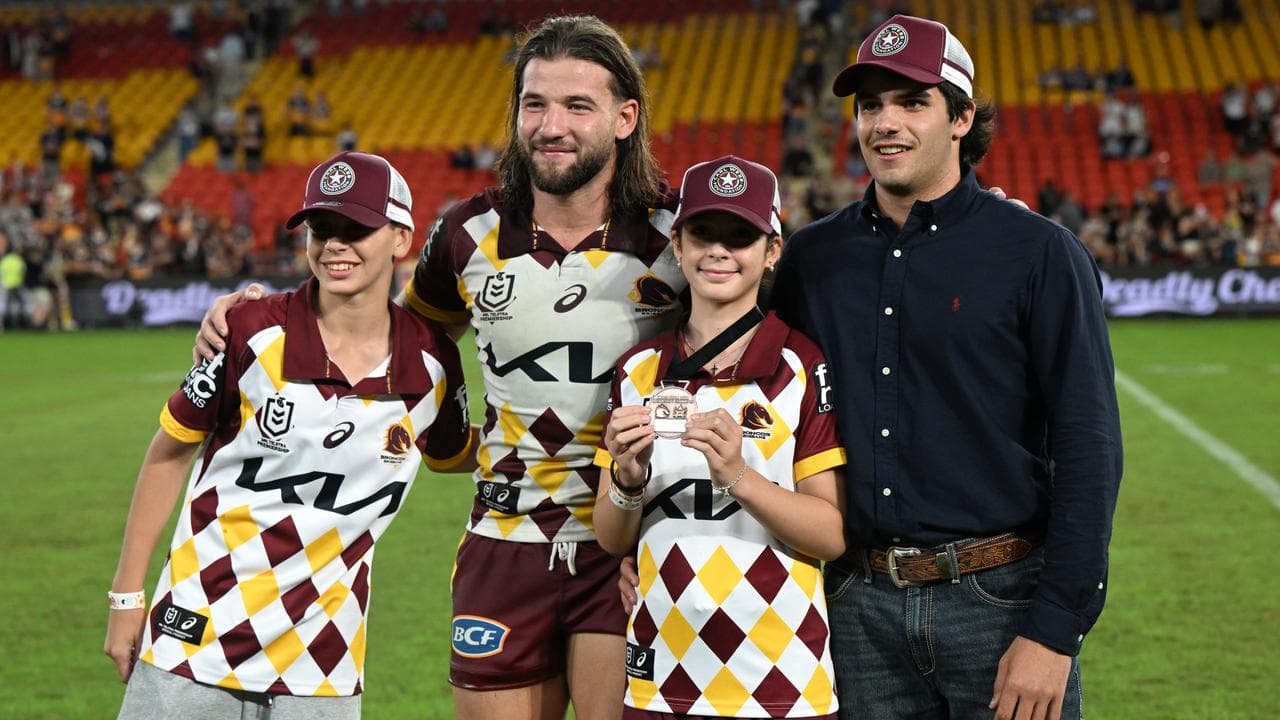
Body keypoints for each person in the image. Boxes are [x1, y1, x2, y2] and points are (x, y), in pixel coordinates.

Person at [195, 15, 682, 720]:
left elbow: (736, 353)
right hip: (504, 537)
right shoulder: (467, 232)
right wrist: (250, 315)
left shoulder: (675, 235)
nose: (552, 124)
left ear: (624, 117)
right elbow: (402, 334)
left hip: (630, 541)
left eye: (578, 106)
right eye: (535, 103)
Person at [770, 14, 1123, 720]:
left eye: (911, 102)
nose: (884, 123)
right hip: (855, 609)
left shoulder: (1039, 254)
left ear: (962, 118)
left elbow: (1089, 447)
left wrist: (1054, 632)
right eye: (870, 105)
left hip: (998, 602)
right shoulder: (811, 260)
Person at [105, 151, 477, 719]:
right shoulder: (249, 331)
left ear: (401, 238)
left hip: (323, 663)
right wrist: (127, 598)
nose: (334, 245)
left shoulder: (432, 363)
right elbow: (169, 453)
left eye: (356, 229)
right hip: (193, 637)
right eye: (322, 229)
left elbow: (456, 454)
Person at [594, 155, 845, 719]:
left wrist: (737, 476)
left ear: (772, 251)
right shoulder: (638, 368)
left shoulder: (800, 365)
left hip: (781, 676)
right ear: (678, 245)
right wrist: (627, 480)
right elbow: (613, 538)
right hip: (659, 673)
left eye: (741, 236)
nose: (719, 252)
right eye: (703, 233)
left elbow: (829, 534)